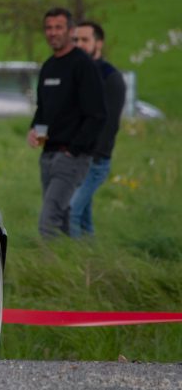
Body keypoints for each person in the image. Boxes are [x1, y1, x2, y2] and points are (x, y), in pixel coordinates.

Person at [27, 7, 106, 239]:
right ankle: (75, 264)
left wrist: (74, 150)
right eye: (48, 28)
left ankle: (47, 272)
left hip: (71, 157)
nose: (53, 33)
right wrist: (36, 134)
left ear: (70, 31)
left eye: (58, 27)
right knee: (61, 221)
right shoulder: (49, 66)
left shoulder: (83, 66)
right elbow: (44, 110)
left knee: (47, 222)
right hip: (48, 156)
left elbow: (98, 114)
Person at [68, 20, 125, 237]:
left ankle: (68, 264)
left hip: (94, 159)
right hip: (73, 156)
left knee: (70, 211)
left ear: (98, 44)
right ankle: (89, 258)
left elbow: (108, 125)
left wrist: (88, 154)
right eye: (75, 40)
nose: (79, 44)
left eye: (85, 40)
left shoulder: (111, 78)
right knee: (83, 218)